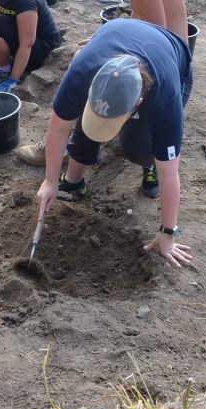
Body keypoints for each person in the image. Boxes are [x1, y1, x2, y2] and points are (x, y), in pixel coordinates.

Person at [17, 0, 189, 167]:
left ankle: (67, 147)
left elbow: (154, 43)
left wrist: (108, 52)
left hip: (167, 74)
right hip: (171, 57)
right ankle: (74, 157)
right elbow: (142, 22)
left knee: (104, 94)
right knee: (93, 73)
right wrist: (104, 41)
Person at [32, 18, 194, 268]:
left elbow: (169, 171)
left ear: (136, 105)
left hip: (170, 56)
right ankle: (74, 181)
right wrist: (50, 181)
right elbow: (58, 129)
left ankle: (146, 162)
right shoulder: (82, 70)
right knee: (84, 127)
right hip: (116, 34)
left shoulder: (165, 99)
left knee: (137, 146)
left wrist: (167, 233)